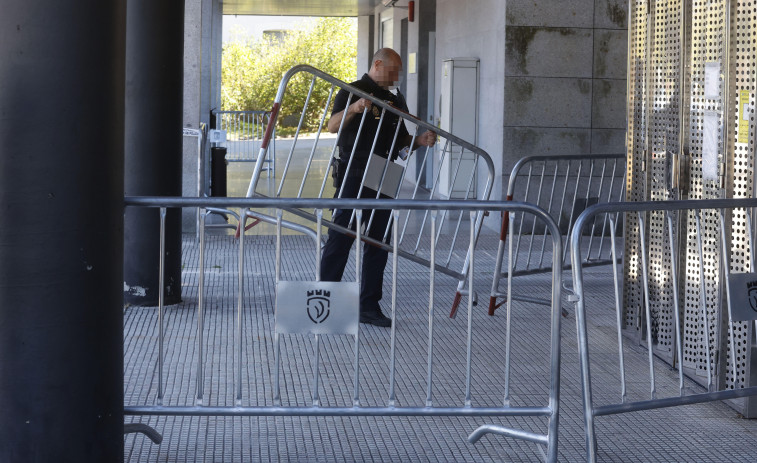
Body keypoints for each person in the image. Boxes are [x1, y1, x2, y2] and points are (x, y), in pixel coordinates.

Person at [320, 48, 437, 327]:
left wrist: (418, 142)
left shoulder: (395, 99)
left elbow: (400, 140)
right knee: (342, 235)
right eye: (393, 71)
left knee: (379, 241)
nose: (397, 77)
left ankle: (368, 306)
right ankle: (325, 303)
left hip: (385, 170)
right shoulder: (353, 90)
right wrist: (355, 108)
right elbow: (331, 126)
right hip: (356, 168)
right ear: (377, 64)